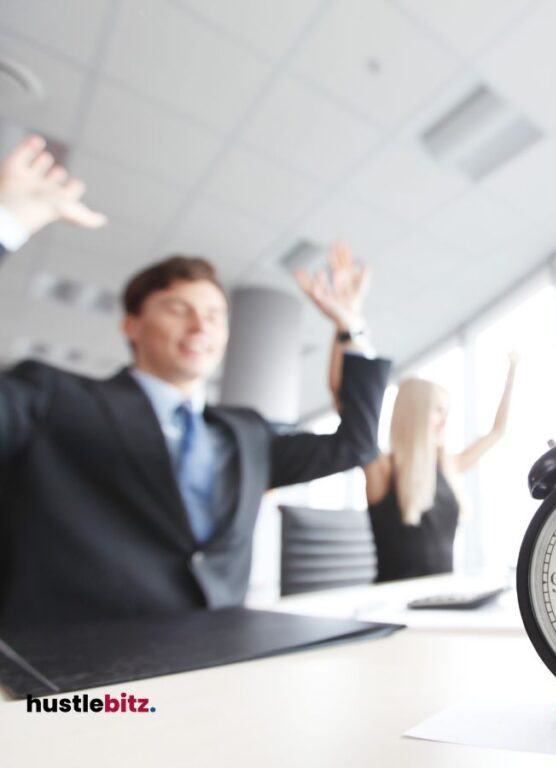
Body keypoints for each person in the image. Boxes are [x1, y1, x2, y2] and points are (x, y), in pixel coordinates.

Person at [0, 135, 391, 628]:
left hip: (215, 664)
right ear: (131, 324)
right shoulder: (52, 400)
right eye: (178, 309)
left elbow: (355, 445)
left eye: (213, 315)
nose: (201, 326)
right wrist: (6, 223)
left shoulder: (246, 434)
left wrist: (350, 328)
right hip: (77, 686)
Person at [299, 252, 520, 582]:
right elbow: (342, 395)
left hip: (447, 600)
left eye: (448, 411)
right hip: (396, 609)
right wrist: (345, 323)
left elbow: (497, 432)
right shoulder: (382, 470)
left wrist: (512, 374)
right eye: (437, 411)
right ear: (413, 414)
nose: (445, 420)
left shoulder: (448, 464)